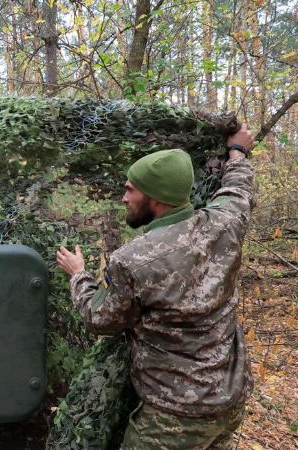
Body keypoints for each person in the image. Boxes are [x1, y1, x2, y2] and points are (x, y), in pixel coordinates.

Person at [56, 125, 256, 449]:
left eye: (130, 189)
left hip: (173, 417)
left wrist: (79, 275)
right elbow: (238, 190)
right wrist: (238, 152)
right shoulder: (225, 224)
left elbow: (101, 320)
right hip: (230, 401)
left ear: (156, 198)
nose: (124, 197)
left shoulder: (132, 261)